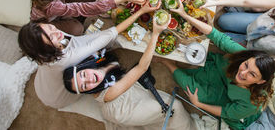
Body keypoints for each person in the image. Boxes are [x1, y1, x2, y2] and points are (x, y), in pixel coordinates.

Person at [17, 0, 161, 109]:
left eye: (49, 27)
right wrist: (142, 11)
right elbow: (112, 33)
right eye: (51, 38)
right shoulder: (69, 57)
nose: (56, 32)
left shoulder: (45, 50)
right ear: (44, 51)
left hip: (42, 83)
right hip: (57, 97)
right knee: (93, 76)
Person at [157, 0, 275, 130]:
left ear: (260, 81)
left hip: (226, 99)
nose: (243, 72)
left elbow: (226, 112)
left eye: (252, 74)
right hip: (223, 73)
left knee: (192, 90)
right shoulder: (243, 55)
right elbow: (217, 36)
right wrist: (185, 15)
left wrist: (198, 104)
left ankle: (167, 62)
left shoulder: (252, 103)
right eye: (246, 65)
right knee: (196, 48)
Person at [62, 16, 197, 130]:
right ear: (87, 92)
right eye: (85, 86)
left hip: (125, 93)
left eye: (83, 75)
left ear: (83, 67)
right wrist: (155, 34)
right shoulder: (110, 93)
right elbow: (141, 68)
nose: (90, 80)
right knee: (173, 108)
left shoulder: (94, 61)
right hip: (122, 110)